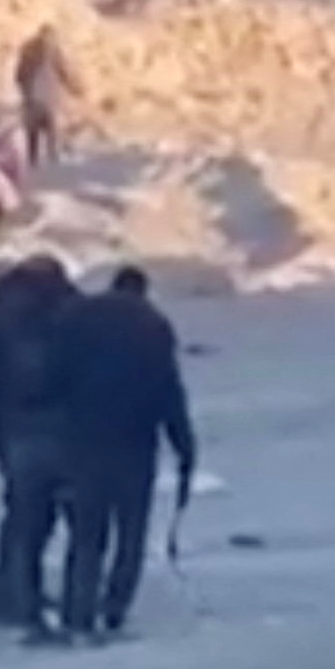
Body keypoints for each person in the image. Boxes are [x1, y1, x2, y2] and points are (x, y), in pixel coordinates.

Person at [51, 265, 198, 643]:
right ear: (143, 291)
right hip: (136, 444)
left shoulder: (77, 317)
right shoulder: (154, 327)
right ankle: (114, 609)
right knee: (130, 535)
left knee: (86, 536)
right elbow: (170, 391)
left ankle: (77, 615)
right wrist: (184, 447)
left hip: (84, 441)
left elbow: (53, 378)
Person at [0, 255, 80, 637]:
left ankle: (10, 597)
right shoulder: (70, 314)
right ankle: (62, 600)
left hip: (13, 431)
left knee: (21, 516)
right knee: (63, 517)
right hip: (63, 429)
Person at [14, 27, 75, 171]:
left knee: (32, 130)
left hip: (32, 95)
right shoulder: (55, 51)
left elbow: (19, 74)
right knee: (52, 128)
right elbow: (65, 71)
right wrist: (71, 86)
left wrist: (24, 88)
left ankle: (32, 157)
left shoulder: (28, 50)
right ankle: (53, 155)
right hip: (51, 95)